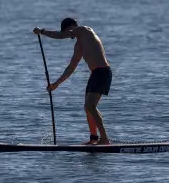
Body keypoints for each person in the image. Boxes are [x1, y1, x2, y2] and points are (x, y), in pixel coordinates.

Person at [33, 17, 112, 145]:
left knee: (90, 106)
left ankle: (104, 139)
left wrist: (42, 31)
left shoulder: (85, 30)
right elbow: (71, 68)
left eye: (68, 30)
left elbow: (60, 35)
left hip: (102, 72)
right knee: (88, 108)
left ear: (72, 26)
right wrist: (55, 84)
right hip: (95, 73)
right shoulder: (79, 45)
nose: (69, 34)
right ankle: (94, 138)